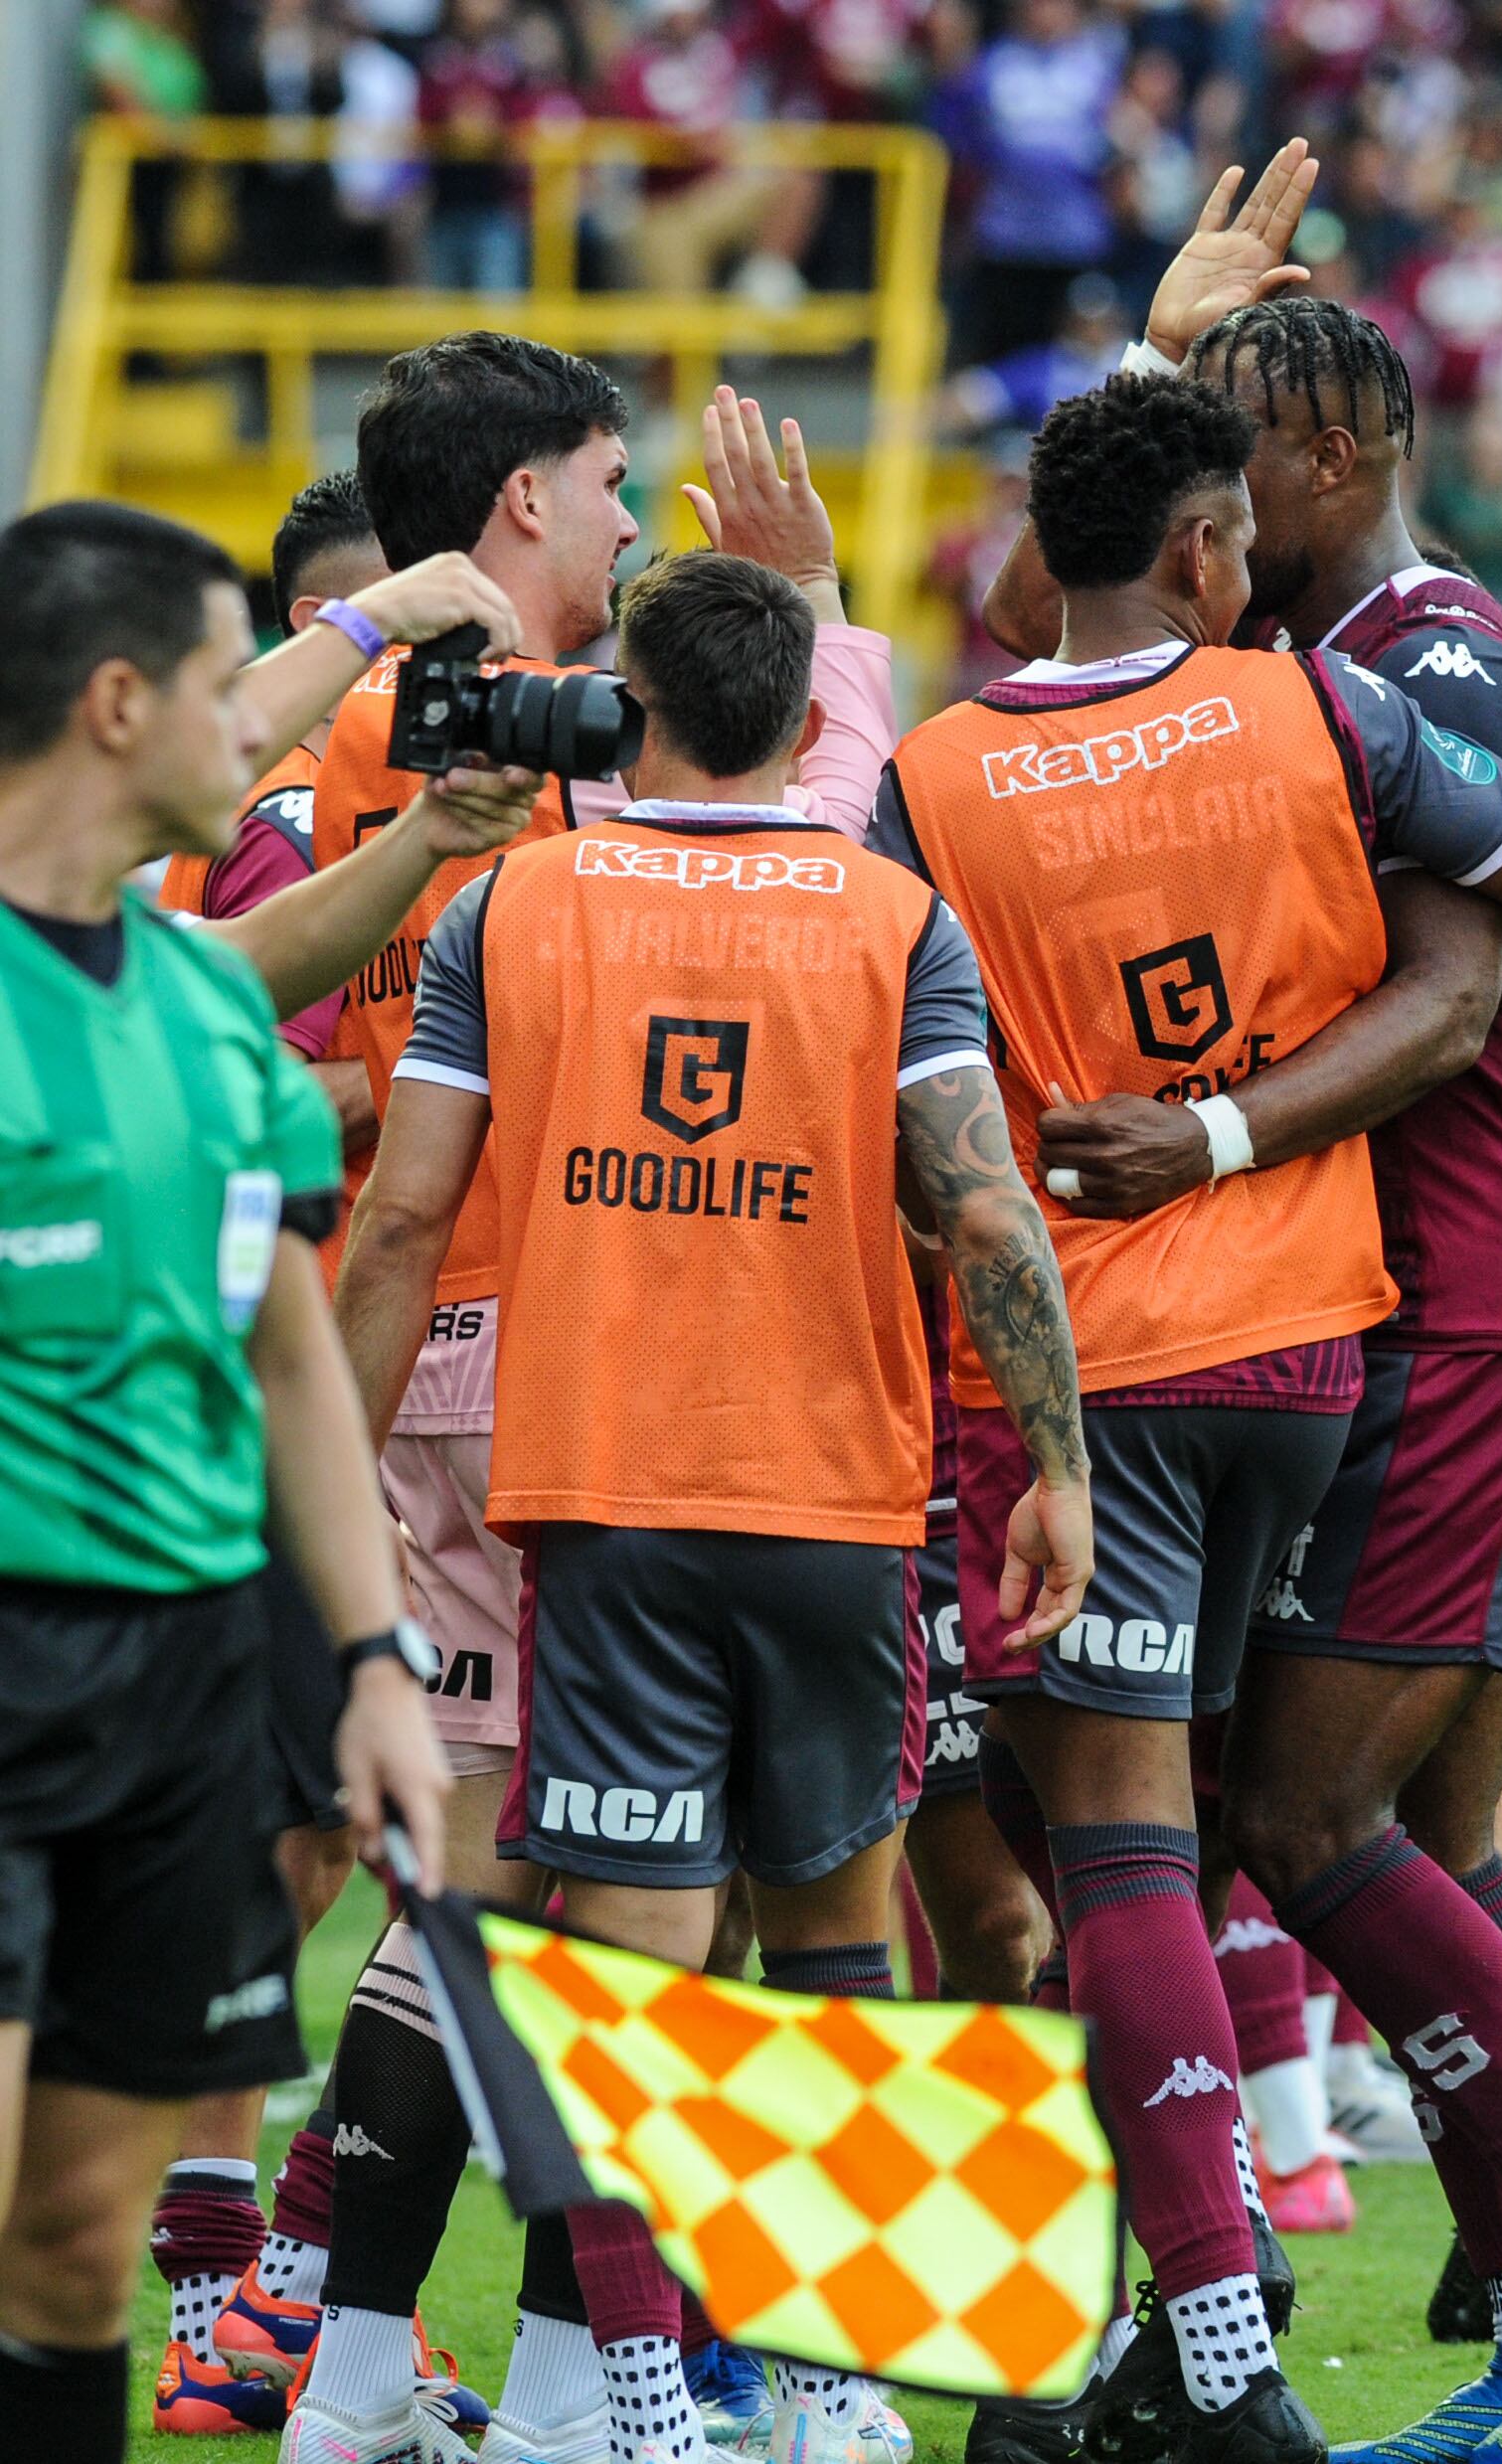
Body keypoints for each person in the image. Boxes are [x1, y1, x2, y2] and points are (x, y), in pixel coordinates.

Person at [876, 371, 1502, 2464]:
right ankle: (1158, 2324)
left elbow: (906, 1088)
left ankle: (1204, 2352)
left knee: (1094, 1854)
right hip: (1315, 1352)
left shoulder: (932, 777)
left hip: (1074, 1375)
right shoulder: (1316, 712)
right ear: (1211, 551)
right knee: (1248, 1830)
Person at [1090, 153, 1502, 2464]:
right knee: (1408, 1829)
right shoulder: (1290, 654)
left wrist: (1219, 1136)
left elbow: (1465, 999)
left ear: (1340, 456)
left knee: (1294, 1804)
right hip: (1431, 1309)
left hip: (1487, 1304)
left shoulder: (1430, 657)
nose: (1196, 507)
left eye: (1226, 455)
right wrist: (1161, 358)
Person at [324, 549, 1098, 2464]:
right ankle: (830, 2396)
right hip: (837, 1496)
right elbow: (984, 1203)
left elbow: (409, 1213)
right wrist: (1060, 1460)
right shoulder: (888, 915)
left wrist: (328, 1482)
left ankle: (635, 2412)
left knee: (626, 1979)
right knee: (837, 1948)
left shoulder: (510, 904)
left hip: (601, 1497)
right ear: (799, 716)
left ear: (630, 703)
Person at [266, 335, 897, 2460]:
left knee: (488, 1888)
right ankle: (542, 2399)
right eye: (615, 481)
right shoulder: (571, 762)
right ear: (522, 501)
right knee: (621, 1895)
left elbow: (242, 997)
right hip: (564, 1351)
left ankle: (394, 2377)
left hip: (423, 1344)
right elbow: (810, 852)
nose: (636, 520)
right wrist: (815, 622)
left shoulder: (339, 730)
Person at [0, 499, 462, 2464]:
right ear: (120, 706)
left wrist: (366, 1654)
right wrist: (380, 621)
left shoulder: (208, 1008)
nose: (250, 719)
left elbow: (287, 1347)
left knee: (81, 2249)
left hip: (186, 1684)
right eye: (216, 681)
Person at [141, 465, 391, 2442]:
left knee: (312, 1838)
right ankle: (254, 2275)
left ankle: (243, 2275)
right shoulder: (257, 835)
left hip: (338, 1376)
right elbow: (264, 1031)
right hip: (269, 1402)